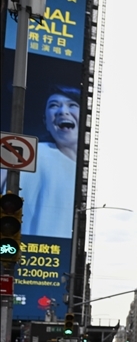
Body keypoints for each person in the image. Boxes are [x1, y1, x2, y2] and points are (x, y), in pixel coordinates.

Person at [0, 86, 79, 238]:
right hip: (17, 251)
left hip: (59, 255)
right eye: (54, 105)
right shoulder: (31, 151)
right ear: (46, 121)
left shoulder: (83, 179)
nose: (63, 111)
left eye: (72, 105)